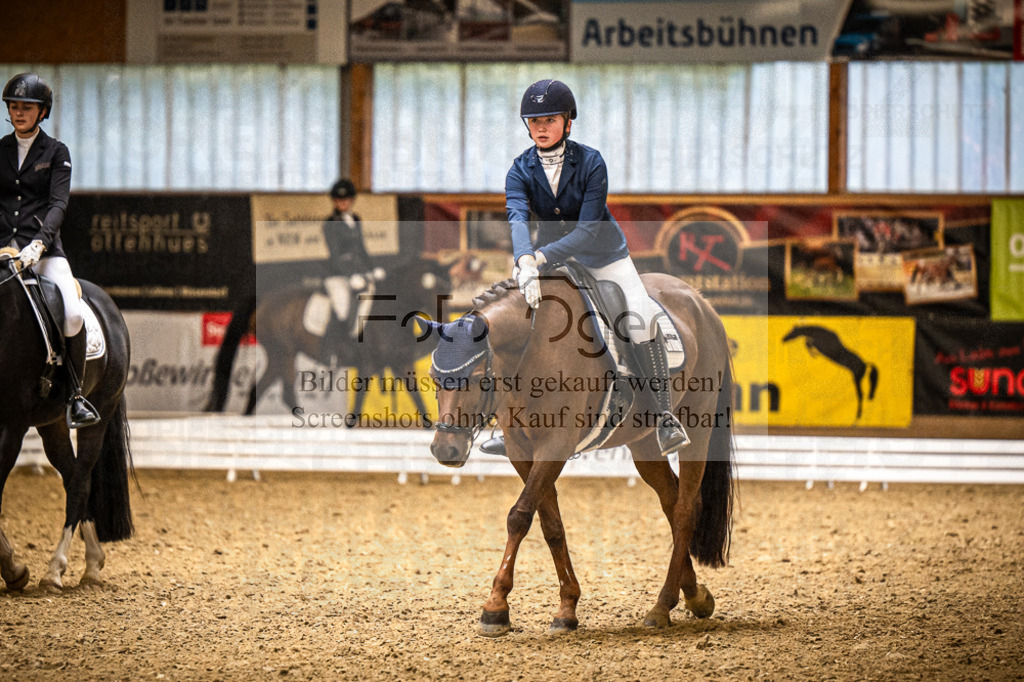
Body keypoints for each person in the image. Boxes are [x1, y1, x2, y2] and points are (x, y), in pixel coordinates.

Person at [481, 78, 687, 456]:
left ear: (568, 122)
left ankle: (664, 416)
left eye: (549, 119)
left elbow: (590, 230)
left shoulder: (591, 161)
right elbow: (516, 217)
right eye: (533, 121)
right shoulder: (519, 169)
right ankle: (508, 419)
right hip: (543, 259)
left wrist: (540, 258)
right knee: (518, 323)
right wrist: (524, 259)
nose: (540, 127)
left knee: (637, 317)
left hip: (603, 255)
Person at [0, 72, 99, 428]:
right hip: (3, 252)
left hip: (43, 252)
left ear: (42, 112)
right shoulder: (0, 150)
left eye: (27, 107)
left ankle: (75, 395)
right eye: (14, 106)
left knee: (73, 314)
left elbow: (58, 204)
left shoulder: (57, 152)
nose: (19, 112)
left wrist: (38, 243)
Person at [321, 179, 384, 344]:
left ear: (351, 200)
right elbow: (335, 255)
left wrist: (373, 268)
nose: (343, 203)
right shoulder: (330, 223)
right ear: (334, 201)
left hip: (359, 272)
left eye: (346, 199)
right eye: (339, 200)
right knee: (343, 308)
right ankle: (336, 347)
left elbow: (361, 248)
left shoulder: (355, 219)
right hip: (337, 275)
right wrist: (350, 276)